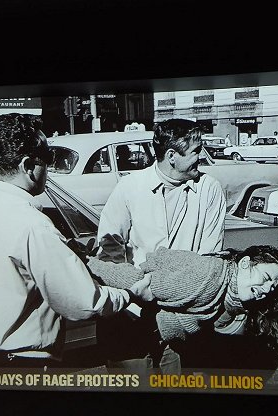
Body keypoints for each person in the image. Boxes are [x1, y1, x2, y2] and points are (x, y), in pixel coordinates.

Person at [0, 113, 141, 369]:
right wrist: (129, 293)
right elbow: (84, 303)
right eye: (48, 158)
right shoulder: (33, 226)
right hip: (25, 361)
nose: (49, 168)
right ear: (28, 166)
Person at [95, 118, 227, 372]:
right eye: (196, 151)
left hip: (182, 312)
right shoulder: (130, 188)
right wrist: (131, 288)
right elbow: (110, 248)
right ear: (171, 156)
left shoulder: (209, 189)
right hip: (133, 311)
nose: (201, 157)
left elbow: (210, 255)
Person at [87, 244, 278, 357]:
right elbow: (140, 284)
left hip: (157, 343)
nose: (266, 290)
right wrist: (88, 263)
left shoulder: (232, 295)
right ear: (245, 264)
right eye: (265, 278)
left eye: (272, 287)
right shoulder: (209, 279)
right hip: (128, 334)